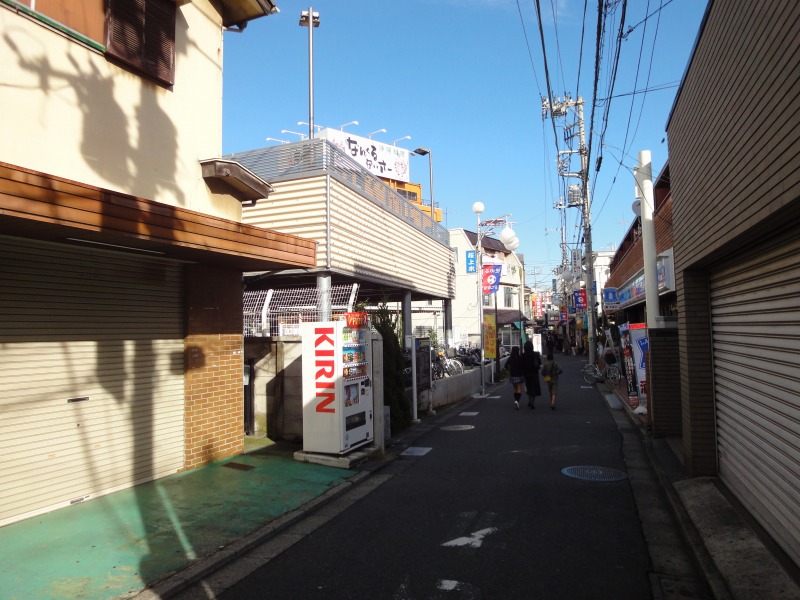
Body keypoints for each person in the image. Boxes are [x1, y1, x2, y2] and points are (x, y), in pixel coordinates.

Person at [521, 340, 542, 409]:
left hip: (526, 374)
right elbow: (539, 363)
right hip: (534, 373)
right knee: (534, 388)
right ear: (532, 347)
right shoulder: (535, 354)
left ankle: (529, 400)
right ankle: (532, 402)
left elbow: (520, 364)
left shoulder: (523, 355)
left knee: (528, 387)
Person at [506, 346, 525, 410]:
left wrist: (509, 370)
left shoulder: (510, 358)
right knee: (519, 389)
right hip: (519, 375)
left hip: (512, 375)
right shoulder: (520, 358)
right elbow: (523, 366)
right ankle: (517, 401)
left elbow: (505, 365)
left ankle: (516, 400)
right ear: (518, 351)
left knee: (515, 389)